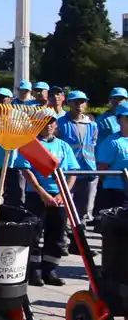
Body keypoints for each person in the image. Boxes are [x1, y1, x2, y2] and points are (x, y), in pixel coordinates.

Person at [24, 116, 77, 286]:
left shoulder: (63, 146)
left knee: (57, 235)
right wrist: (42, 193)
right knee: (34, 233)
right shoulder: (31, 145)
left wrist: (63, 193)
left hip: (59, 197)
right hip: (37, 196)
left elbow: (72, 172)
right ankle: (34, 271)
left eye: (51, 123)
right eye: (44, 123)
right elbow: (26, 171)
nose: (48, 126)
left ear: (55, 125)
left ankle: (50, 270)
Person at [59, 91, 99, 222]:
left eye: (82, 102)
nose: (79, 105)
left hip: (87, 170)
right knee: (66, 205)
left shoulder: (92, 125)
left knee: (84, 207)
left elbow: (93, 144)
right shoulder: (61, 123)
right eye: (76, 102)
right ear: (69, 103)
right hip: (68, 170)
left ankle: (79, 234)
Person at [95, 105, 128, 212]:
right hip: (116, 191)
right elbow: (102, 169)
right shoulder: (112, 142)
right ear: (118, 119)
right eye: (127, 118)